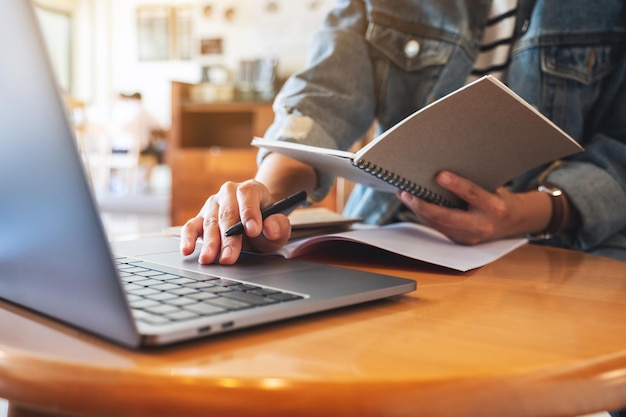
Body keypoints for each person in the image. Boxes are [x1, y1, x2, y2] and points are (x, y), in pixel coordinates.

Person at [180, 0, 626, 266]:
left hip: (563, 246)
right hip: (396, 234)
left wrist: (530, 212)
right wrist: (267, 193)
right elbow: (320, 100)